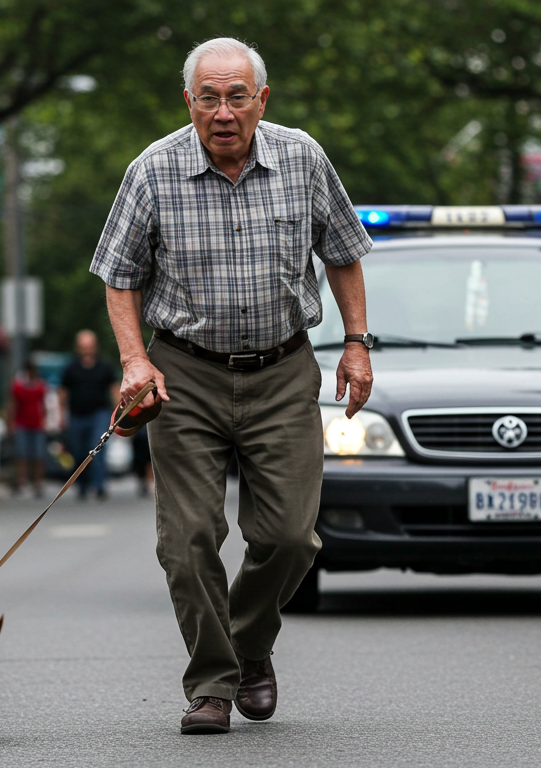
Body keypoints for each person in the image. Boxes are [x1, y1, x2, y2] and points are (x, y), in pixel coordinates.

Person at [91, 37, 373, 734]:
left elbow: (342, 254)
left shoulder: (303, 157)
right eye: (208, 97)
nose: (223, 111)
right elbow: (118, 275)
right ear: (188, 101)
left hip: (282, 370)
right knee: (187, 539)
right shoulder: (152, 171)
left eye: (236, 96)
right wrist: (135, 361)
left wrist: (358, 344)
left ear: (261, 99)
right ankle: (212, 684)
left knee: (290, 538)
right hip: (183, 374)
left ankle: (247, 650)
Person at [58, 330, 118, 500]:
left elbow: (114, 389)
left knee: (97, 447)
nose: (86, 349)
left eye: (89, 346)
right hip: (76, 414)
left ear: (94, 346)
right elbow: (62, 392)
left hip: (99, 413)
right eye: (83, 346)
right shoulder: (71, 368)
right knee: (78, 451)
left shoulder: (104, 366)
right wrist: (61, 415)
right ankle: (82, 484)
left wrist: (118, 414)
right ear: (78, 347)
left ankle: (99, 485)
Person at [9, 360, 48, 498]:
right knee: (21, 455)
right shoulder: (19, 386)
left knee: (38, 456)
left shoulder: (40, 386)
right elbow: (13, 404)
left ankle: (38, 484)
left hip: (37, 425)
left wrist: (45, 420)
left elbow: (44, 405)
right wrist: (11, 422)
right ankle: (21, 482)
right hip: (22, 424)